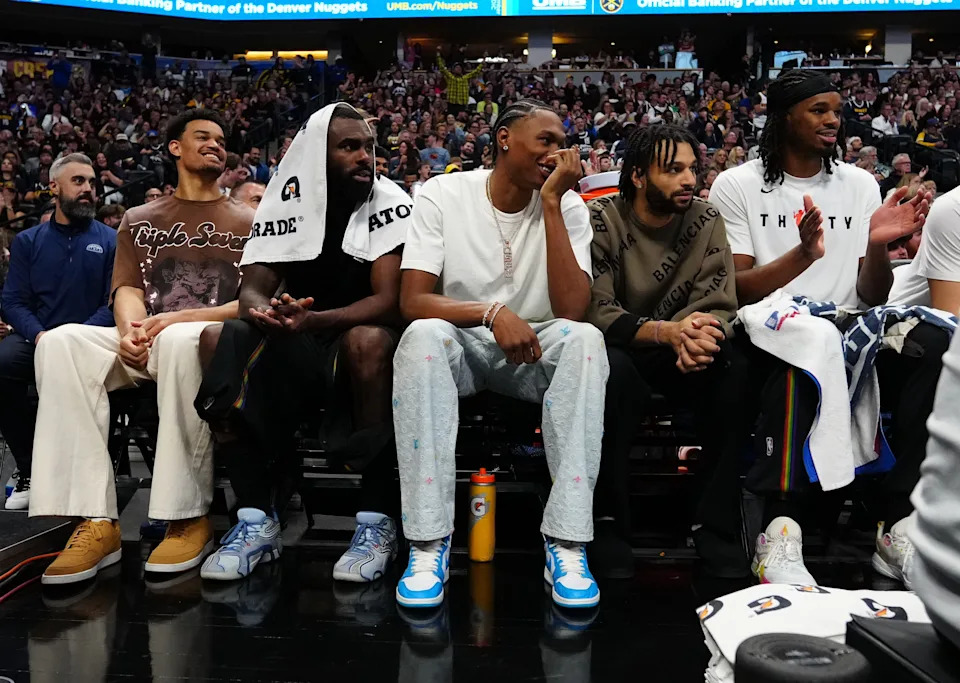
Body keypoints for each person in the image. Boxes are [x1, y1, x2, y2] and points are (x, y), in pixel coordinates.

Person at [710, 69, 937, 587]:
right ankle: (780, 531)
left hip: (848, 326)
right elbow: (740, 287)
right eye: (818, 110)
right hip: (770, 327)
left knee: (936, 346)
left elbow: (872, 294)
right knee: (808, 349)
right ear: (784, 117)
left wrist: (877, 244)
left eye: (837, 109)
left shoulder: (858, 183)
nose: (833, 119)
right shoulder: (738, 184)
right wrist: (803, 254)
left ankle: (895, 523)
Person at [393, 99, 607, 611]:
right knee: (421, 336)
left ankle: (567, 541)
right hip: (462, 342)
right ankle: (428, 543)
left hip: (536, 345)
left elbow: (573, 310)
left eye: (564, 142)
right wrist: (490, 313)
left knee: (586, 341)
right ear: (505, 138)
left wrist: (553, 204)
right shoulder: (444, 192)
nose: (560, 152)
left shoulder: (569, 206)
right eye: (547, 141)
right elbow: (413, 300)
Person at [31, 110, 255, 584]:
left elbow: (251, 304)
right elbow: (128, 288)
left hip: (205, 342)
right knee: (61, 343)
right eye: (203, 137)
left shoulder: (250, 220)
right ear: (175, 147)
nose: (216, 144)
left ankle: (186, 514)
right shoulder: (138, 218)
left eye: (220, 139)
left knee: (176, 338)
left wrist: (167, 322)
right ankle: (94, 520)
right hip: (149, 337)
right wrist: (133, 331)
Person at [194, 103, 409, 584]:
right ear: (317, 156)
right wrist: (266, 312)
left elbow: (390, 300)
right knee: (216, 338)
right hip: (298, 336)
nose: (364, 157)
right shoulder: (285, 201)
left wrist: (312, 320)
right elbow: (250, 287)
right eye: (349, 147)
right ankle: (254, 519)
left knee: (368, 342)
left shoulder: (389, 200)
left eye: (369, 148)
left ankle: (377, 522)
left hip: (353, 340)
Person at [587, 125, 749, 578]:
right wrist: (666, 332)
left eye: (693, 169)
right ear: (638, 176)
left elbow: (718, 303)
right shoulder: (602, 218)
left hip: (680, 347)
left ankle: (712, 525)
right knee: (610, 374)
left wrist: (700, 336)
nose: (688, 180)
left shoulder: (705, 217)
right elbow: (594, 309)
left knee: (733, 371)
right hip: (620, 344)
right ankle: (609, 524)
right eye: (673, 169)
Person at [0, 154, 116, 511]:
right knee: (2, 362)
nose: (88, 190)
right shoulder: (28, 241)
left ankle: (84, 474)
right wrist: (41, 336)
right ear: (54, 187)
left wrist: (75, 337)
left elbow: (114, 303)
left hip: (95, 339)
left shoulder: (112, 240)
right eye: (79, 181)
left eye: (92, 183)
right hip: (41, 338)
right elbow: (13, 301)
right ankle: (29, 467)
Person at [436, 49, 483, 117]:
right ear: (453, 69)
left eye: (460, 68)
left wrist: (483, 61)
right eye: (457, 67)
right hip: (451, 104)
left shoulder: (465, 77)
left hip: (462, 105)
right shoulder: (450, 77)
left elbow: (476, 71)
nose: (458, 69)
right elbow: (442, 68)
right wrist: (438, 54)